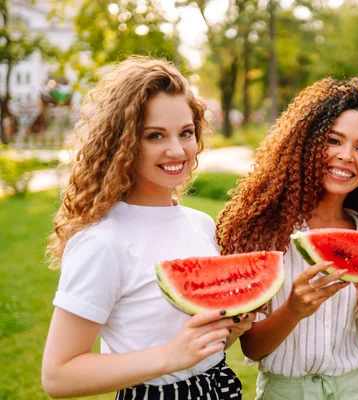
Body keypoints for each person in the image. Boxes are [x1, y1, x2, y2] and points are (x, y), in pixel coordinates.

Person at [41, 57, 254, 400]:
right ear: (123, 143)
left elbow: (196, 350)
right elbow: (58, 376)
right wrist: (170, 356)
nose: (176, 150)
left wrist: (231, 329)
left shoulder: (201, 225)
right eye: (155, 136)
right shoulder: (102, 241)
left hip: (218, 388)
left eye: (185, 133)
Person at [216, 77, 358, 399]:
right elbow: (252, 348)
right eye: (334, 140)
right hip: (285, 391)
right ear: (306, 143)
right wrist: (292, 309)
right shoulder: (264, 233)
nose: (347, 156)